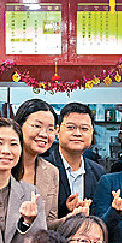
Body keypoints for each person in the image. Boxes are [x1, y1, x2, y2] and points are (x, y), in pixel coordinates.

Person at [15, 98, 79, 230]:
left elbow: (48, 224)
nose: (44, 134)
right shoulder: (2, 166)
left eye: (50, 129)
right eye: (37, 126)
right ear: (19, 126)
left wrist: (71, 218)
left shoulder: (51, 172)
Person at [43, 102, 105, 219]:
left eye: (84, 128)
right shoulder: (44, 167)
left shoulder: (98, 172)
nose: (77, 133)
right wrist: (66, 209)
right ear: (57, 130)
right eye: (71, 127)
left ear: (91, 132)